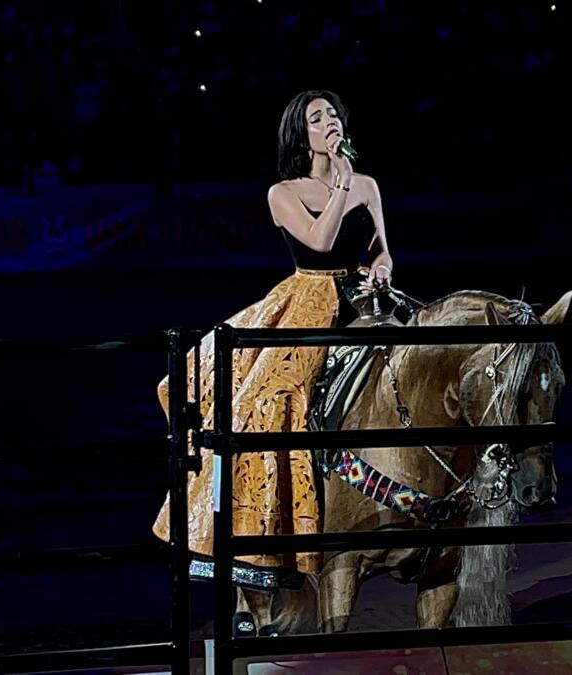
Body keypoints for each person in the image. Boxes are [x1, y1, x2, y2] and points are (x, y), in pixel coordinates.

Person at [152, 89, 394, 634]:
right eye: (317, 118)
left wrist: (381, 264)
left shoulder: (369, 186)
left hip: (359, 298)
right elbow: (321, 238)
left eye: (334, 114)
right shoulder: (282, 192)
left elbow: (380, 247)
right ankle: (253, 557)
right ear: (299, 133)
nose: (329, 122)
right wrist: (339, 183)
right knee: (260, 403)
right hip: (305, 301)